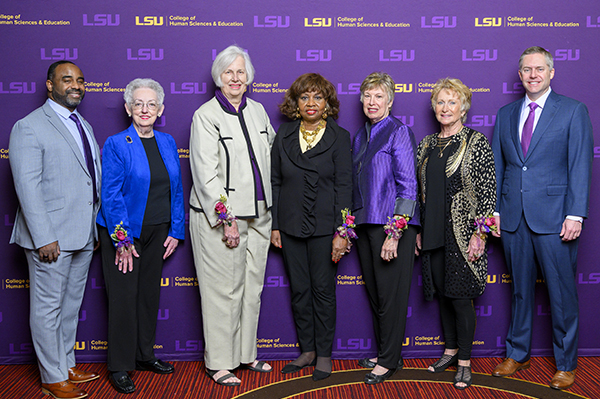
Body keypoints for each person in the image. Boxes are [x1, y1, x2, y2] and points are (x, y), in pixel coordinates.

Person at [491, 46, 593, 390]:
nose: (533, 75)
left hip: (556, 219)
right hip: (514, 219)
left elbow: (581, 164)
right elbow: (500, 168)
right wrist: (495, 211)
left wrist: (575, 213)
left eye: (539, 69)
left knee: (562, 295)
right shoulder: (506, 114)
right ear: (519, 75)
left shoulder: (573, 111)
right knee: (520, 292)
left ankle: (565, 363)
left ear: (551, 73)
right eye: (526, 70)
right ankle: (517, 353)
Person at [9, 61, 101, 399]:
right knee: (48, 307)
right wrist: (43, 236)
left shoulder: (83, 125)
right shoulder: (29, 126)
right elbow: (27, 186)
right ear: (50, 85)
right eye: (66, 80)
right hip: (51, 238)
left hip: (82, 234)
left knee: (70, 306)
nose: (75, 85)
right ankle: (51, 376)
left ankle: (65, 363)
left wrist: (94, 230)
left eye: (80, 80)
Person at [189, 45, 276, 387]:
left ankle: (245, 353)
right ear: (218, 77)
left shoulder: (257, 111)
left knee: (251, 289)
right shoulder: (205, 115)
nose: (235, 78)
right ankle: (219, 362)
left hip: (260, 215)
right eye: (229, 72)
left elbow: (271, 157)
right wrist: (226, 220)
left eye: (240, 72)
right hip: (224, 219)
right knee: (222, 291)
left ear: (248, 76)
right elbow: (205, 174)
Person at [96, 78, 184, 394]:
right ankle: (120, 365)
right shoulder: (117, 143)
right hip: (124, 236)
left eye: (150, 104)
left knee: (148, 298)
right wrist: (121, 240)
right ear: (128, 108)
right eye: (138, 103)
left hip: (158, 232)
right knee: (123, 301)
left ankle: (145, 355)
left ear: (160, 110)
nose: (144, 109)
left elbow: (175, 189)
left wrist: (175, 230)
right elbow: (111, 194)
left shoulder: (168, 141)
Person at [415, 78, 496, 390]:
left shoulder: (476, 143)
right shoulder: (426, 144)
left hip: (463, 235)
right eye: (440, 102)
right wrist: (420, 230)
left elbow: (488, 192)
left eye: (452, 102)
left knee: (461, 299)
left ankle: (464, 360)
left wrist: (481, 234)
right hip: (433, 231)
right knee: (444, 297)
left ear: (464, 107)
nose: (445, 108)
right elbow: (421, 192)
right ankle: (449, 350)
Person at [271, 73, 352, 381]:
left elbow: (345, 186)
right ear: (296, 103)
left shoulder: (340, 137)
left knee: (322, 291)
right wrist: (276, 225)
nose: (311, 103)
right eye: (304, 97)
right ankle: (307, 350)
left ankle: (324, 353)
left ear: (327, 103)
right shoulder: (285, 133)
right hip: (290, 226)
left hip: (324, 228)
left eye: (318, 97)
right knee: (300, 291)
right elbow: (276, 182)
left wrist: (342, 232)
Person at [351, 72, 419, 385]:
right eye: (367, 96)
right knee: (378, 295)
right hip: (366, 225)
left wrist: (396, 232)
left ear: (390, 102)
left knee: (392, 296)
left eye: (379, 96)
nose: (372, 102)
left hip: (391, 228)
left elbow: (408, 185)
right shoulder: (360, 137)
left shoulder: (399, 131)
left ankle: (389, 361)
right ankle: (385, 352)